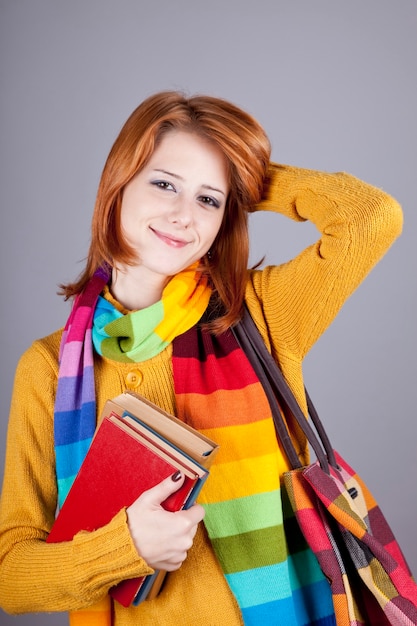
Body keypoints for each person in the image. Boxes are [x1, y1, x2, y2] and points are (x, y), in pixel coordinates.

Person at [0, 91, 403, 626]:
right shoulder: (50, 368)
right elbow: (12, 575)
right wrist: (124, 548)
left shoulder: (259, 313)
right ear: (118, 183)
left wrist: (250, 176)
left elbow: (373, 218)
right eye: (164, 183)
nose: (181, 215)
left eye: (209, 200)